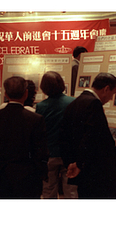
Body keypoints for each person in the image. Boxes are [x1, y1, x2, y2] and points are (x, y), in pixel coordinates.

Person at [0, 76, 48, 199]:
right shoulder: (35, 119)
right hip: (29, 175)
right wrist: (40, 172)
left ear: (6, 94)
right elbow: (41, 150)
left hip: (2, 173)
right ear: (26, 93)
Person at [59, 72, 116, 199]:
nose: (111, 98)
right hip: (96, 171)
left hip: (82, 171)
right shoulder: (94, 104)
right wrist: (80, 163)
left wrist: (71, 162)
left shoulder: (74, 103)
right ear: (106, 89)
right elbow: (91, 137)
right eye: (113, 93)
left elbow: (64, 135)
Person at [36, 71, 78, 199]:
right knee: (71, 190)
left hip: (49, 153)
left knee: (48, 190)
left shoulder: (40, 106)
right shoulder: (73, 102)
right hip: (69, 153)